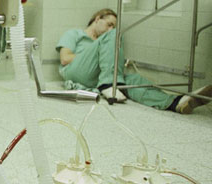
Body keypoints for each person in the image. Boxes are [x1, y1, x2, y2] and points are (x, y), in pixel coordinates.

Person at [56, 8, 211, 113]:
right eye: (109, 24)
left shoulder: (107, 39)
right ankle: (109, 84)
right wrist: (97, 55)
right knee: (115, 37)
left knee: (133, 80)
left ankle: (175, 102)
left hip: (98, 76)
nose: (110, 29)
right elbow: (65, 59)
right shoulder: (74, 34)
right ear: (97, 19)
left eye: (113, 26)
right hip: (76, 71)